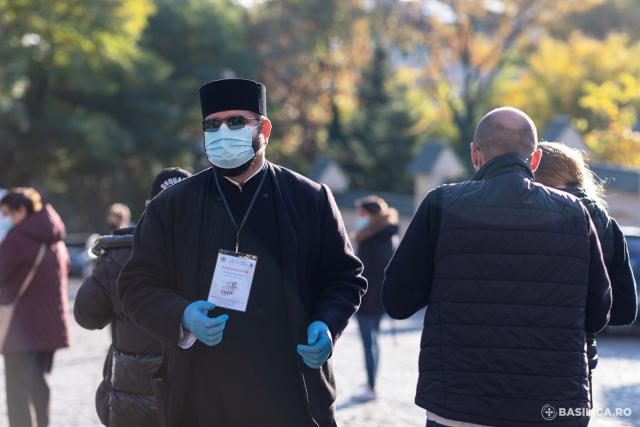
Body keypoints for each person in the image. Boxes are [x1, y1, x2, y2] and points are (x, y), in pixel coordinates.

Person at [118, 78, 367, 427]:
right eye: (212, 125)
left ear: (263, 128)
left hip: (290, 390)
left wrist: (327, 323)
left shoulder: (310, 198)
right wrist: (183, 315)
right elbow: (135, 284)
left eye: (236, 121)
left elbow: (345, 277)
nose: (222, 132)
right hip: (200, 395)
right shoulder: (171, 206)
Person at [383, 107, 612, 427]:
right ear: (533, 160)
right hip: (553, 404)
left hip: (459, 403)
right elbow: (599, 311)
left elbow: (396, 300)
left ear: (475, 153)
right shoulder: (575, 213)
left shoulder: (441, 203)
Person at [74, 167, 192, 427]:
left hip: (131, 402)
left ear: (148, 206)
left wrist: (108, 266)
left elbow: (86, 315)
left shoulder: (120, 254)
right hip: (191, 400)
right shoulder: (211, 256)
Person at [535, 141, 638, 396]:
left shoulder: (529, 218)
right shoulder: (607, 224)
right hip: (576, 362)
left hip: (521, 358)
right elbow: (625, 310)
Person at [0, 188, 70, 427]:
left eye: (8, 213)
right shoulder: (56, 240)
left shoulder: (18, 238)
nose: (7, 219)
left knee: (17, 390)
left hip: (21, 328)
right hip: (50, 326)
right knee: (38, 382)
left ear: (22, 210)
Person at [351, 195, 398, 402]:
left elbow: (369, 271)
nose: (358, 218)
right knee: (373, 341)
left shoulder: (372, 239)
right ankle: (371, 382)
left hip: (367, 298)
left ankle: (371, 386)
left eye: (361, 214)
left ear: (370, 215)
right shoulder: (385, 236)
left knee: (369, 343)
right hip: (378, 300)